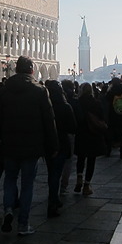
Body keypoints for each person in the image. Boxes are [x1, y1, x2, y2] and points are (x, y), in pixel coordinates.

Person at [0, 56, 57, 235]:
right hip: (31, 146)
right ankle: (23, 225)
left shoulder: (4, 91)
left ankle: (8, 210)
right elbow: (49, 120)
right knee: (27, 184)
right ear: (32, 71)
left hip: (9, 145)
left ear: (15, 69)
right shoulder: (40, 91)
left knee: (10, 180)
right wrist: (53, 146)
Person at [44, 80, 76, 217]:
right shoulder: (66, 106)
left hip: (48, 144)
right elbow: (73, 127)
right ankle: (53, 201)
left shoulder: (44, 106)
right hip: (62, 143)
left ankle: (54, 198)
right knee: (56, 173)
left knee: (51, 172)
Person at [73, 82, 106, 195]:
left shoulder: (77, 103)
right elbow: (102, 118)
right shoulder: (96, 103)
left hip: (81, 133)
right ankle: (86, 185)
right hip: (93, 134)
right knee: (91, 160)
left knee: (81, 158)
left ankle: (79, 177)